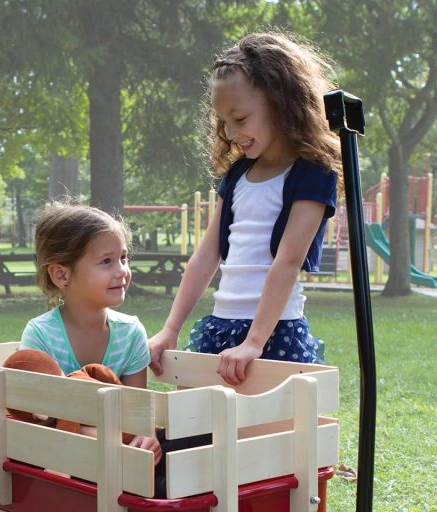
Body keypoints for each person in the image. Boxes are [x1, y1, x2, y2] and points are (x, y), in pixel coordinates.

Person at [149, 31, 340, 386]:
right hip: (221, 326)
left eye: (240, 118)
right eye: (223, 121)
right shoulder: (237, 174)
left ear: (282, 103)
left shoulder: (313, 174)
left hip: (275, 332)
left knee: (266, 434)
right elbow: (206, 256)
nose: (230, 131)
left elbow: (287, 261)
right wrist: (169, 329)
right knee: (204, 431)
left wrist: (254, 342)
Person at [19, 201, 161, 464]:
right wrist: (91, 435)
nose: (122, 271)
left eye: (123, 257)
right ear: (61, 275)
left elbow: (136, 410)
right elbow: (41, 418)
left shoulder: (130, 333)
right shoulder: (40, 335)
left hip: (117, 450)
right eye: (106, 261)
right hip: (57, 454)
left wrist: (147, 436)